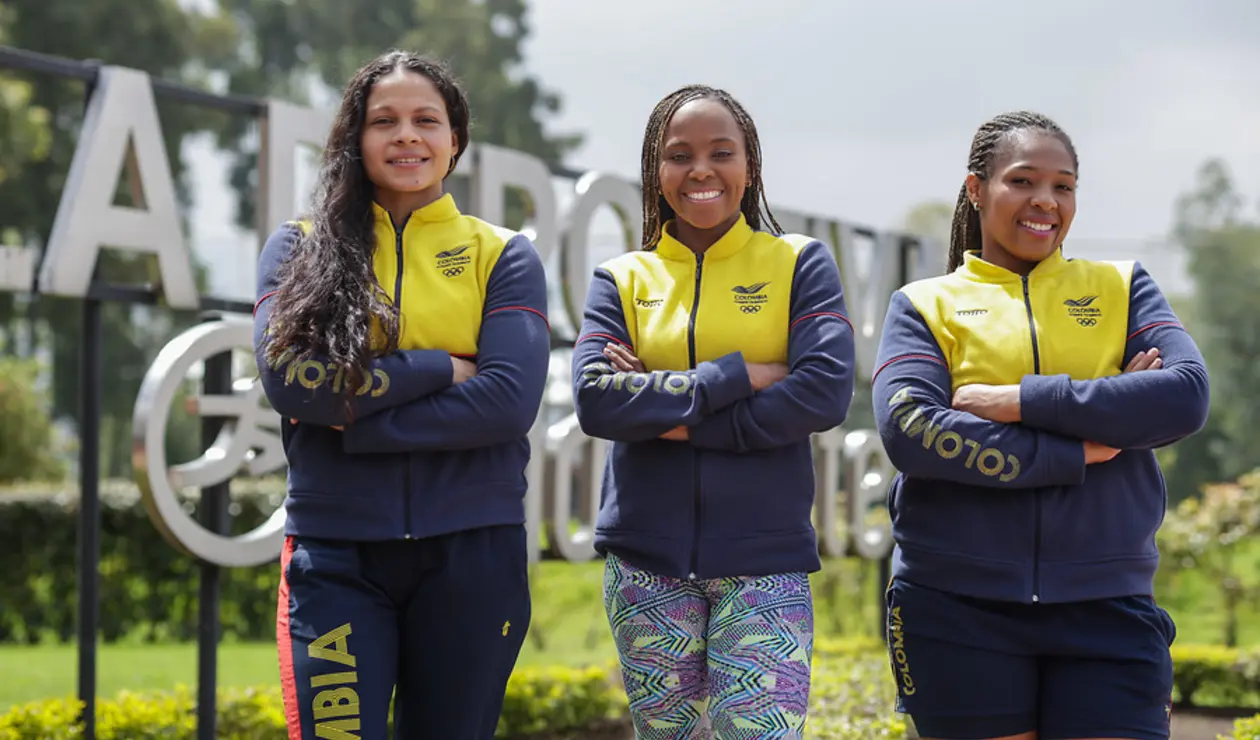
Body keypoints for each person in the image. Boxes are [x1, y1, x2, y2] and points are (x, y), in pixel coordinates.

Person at [873, 110, 1211, 740]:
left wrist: (1021, 400)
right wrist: (1081, 446)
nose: (1045, 203)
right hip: (955, 607)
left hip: (1108, 603)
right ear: (977, 190)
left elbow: (1184, 397)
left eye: (1064, 186)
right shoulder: (924, 304)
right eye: (1024, 181)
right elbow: (911, 431)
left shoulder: (1123, 287)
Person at [252, 50, 549, 739]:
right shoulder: (299, 250)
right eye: (384, 120)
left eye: (426, 120)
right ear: (356, 139)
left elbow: (507, 400)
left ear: (455, 140)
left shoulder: (502, 254)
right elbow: (291, 383)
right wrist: (440, 369)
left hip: (473, 554)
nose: (406, 135)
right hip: (335, 554)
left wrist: (354, 425)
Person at [571, 83, 856, 739]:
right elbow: (596, 400)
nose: (700, 170)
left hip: (766, 562)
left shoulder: (799, 263)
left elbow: (822, 391)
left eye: (720, 152)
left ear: (748, 165)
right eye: (679, 155)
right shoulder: (622, 279)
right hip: (647, 564)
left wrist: (664, 410)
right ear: (656, 170)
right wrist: (741, 375)